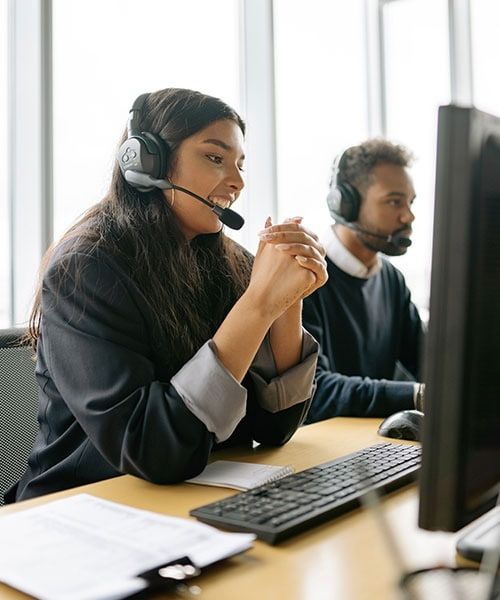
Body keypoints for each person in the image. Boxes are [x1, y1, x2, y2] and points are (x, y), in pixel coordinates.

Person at [9, 88, 327, 501]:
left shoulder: (229, 263)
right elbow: (153, 450)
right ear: (145, 161)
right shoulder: (87, 267)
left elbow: (275, 429)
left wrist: (287, 300)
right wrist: (258, 305)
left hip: (192, 498)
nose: (237, 181)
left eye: (240, 164)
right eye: (215, 157)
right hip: (84, 504)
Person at [302, 139, 425, 422]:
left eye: (410, 201)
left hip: (373, 444)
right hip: (325, 446)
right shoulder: (306, 276)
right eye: (394, 201)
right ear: (346, 205)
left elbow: (428, 362)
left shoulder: (391, 280)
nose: (409, 215)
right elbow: (315, 390)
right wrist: (416, 395)